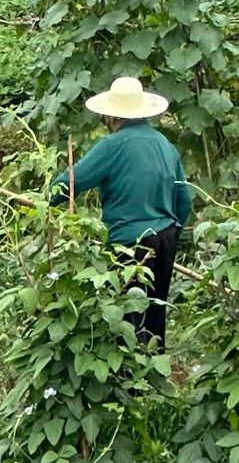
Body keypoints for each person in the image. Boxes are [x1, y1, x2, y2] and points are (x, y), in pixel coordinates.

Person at [53, 73, 194, 348]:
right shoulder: (165, 145)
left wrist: (46, 200)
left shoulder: (112, 146)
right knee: (155, 314)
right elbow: (184, 201)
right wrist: (171, 235)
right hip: (165, 237)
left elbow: (70, 182)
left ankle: (129, 371)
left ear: (111, 115)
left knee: (126, 318)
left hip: (129, 244)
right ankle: (155, 366)